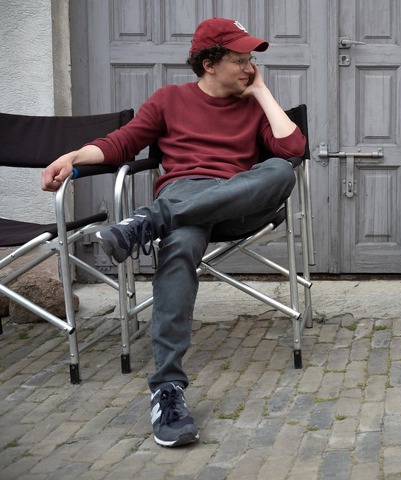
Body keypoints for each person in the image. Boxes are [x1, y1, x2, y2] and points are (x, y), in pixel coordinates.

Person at [42, 18, 306, 447]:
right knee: (180, 244)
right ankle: (167, 390)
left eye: (251, 60)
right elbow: (121, 143)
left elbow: (292, 150)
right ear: (209, 63)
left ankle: (150, 221)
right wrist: (73, 157)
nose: (250, 67)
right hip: (186, 198)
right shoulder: (169, 99)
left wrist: (261, 92)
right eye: (240, 60)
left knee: (279, 171)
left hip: (236, 205)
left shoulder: (254, 105)